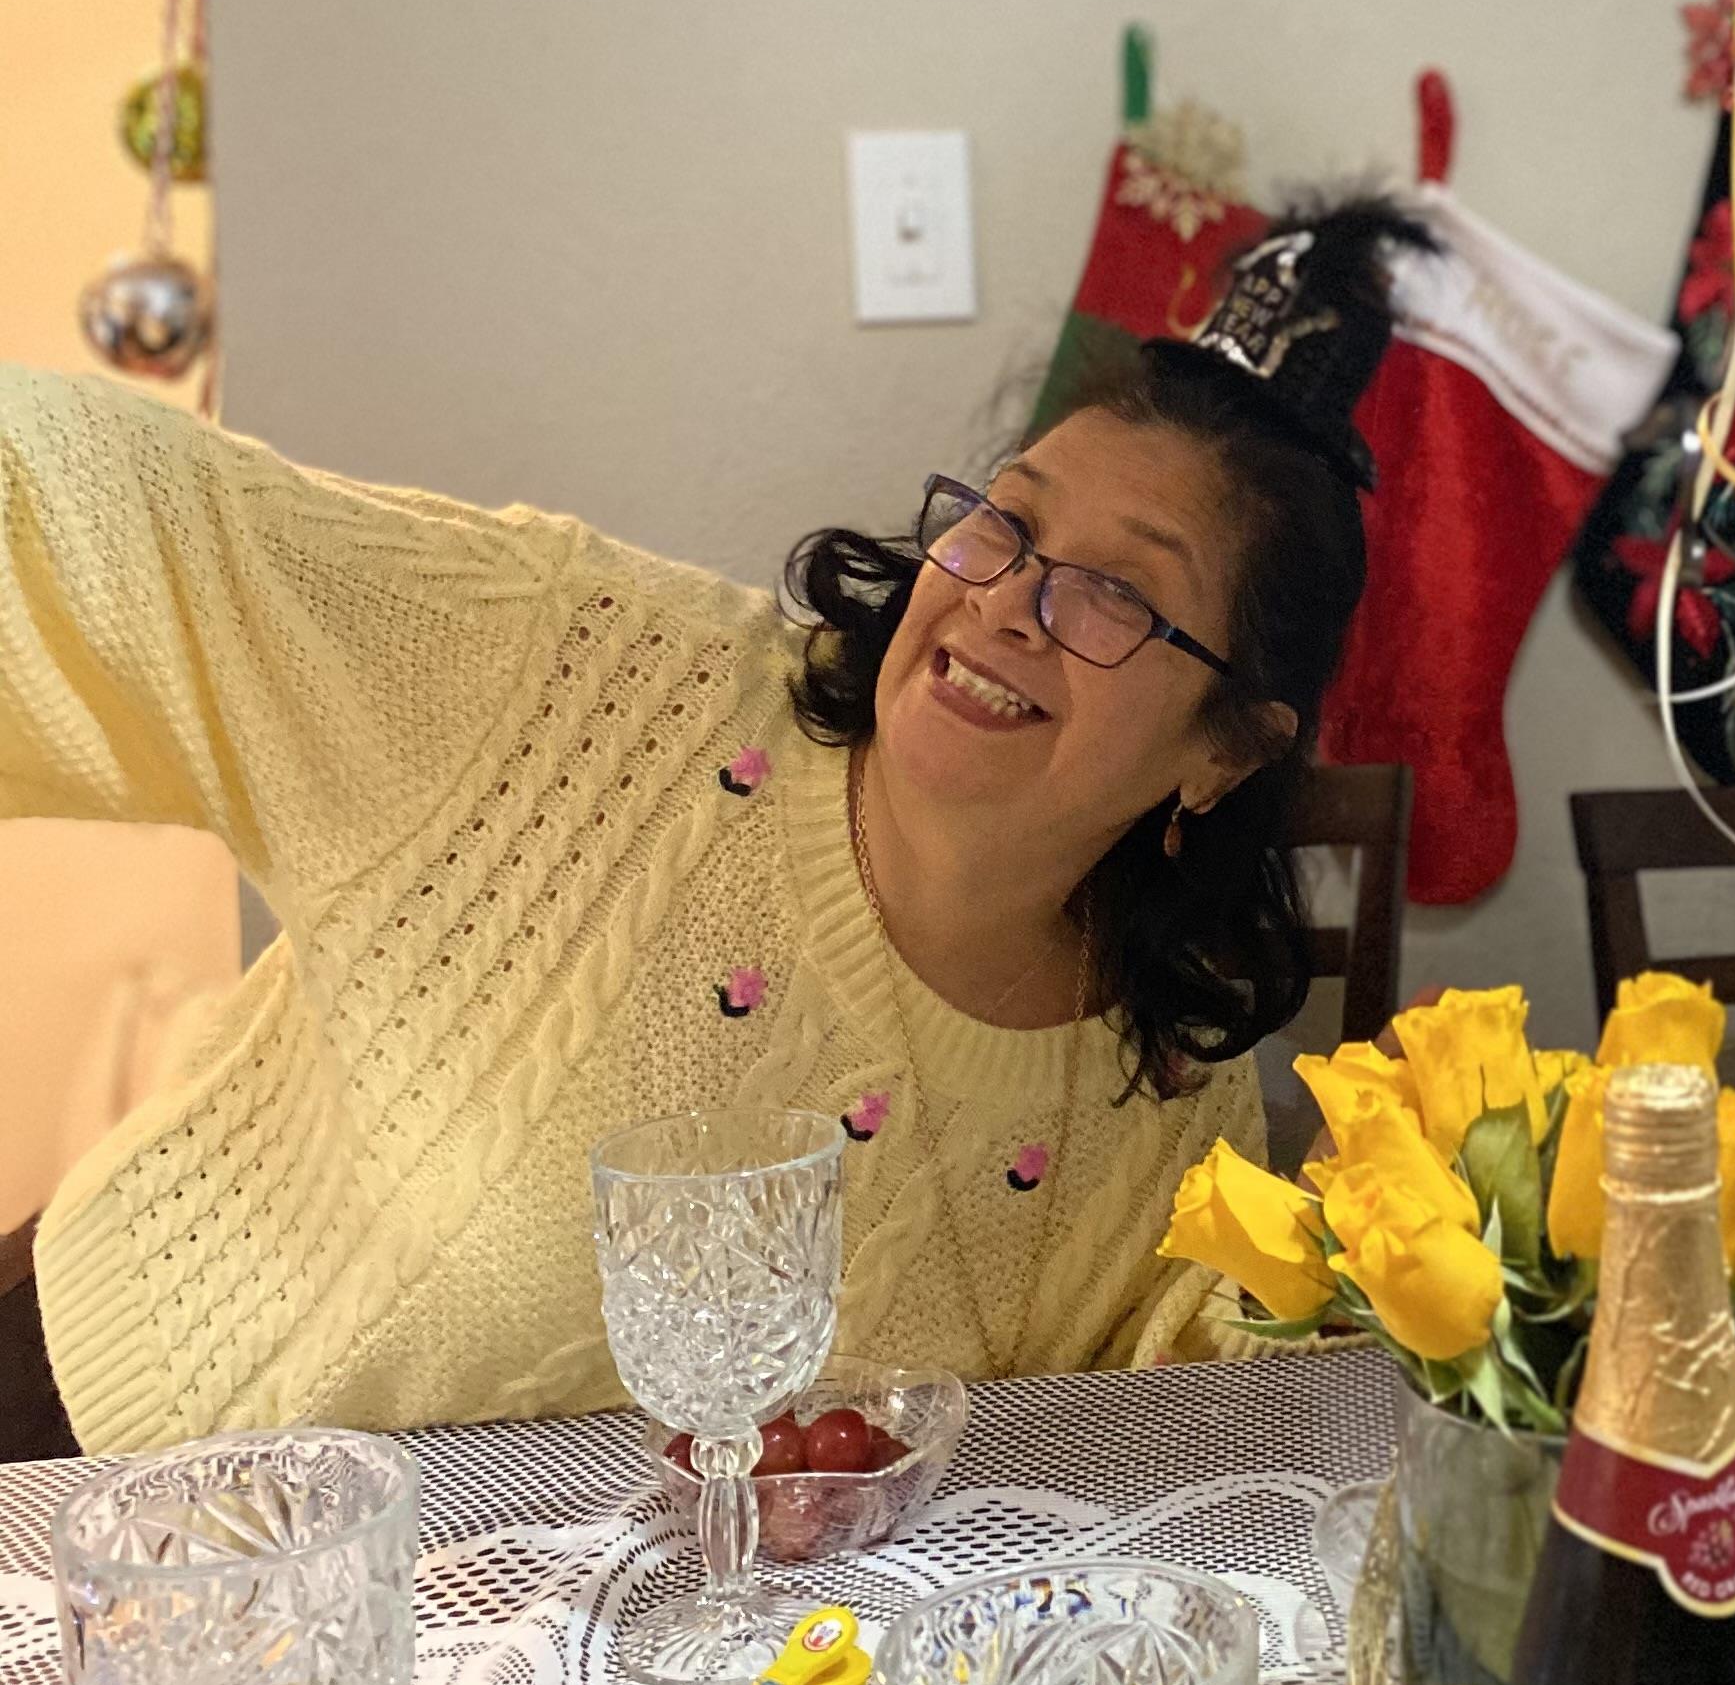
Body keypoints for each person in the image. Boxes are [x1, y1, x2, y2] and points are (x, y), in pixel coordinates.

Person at [6, 208, 1403, 1449]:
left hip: (554, 1677)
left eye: (1112, 593)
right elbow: (114, 518)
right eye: (1003, 528)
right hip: (104, 1465)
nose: (1002, 602)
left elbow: (1180, 1451)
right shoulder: (583, 677)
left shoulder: (1158, 1084)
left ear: (1227, 750)